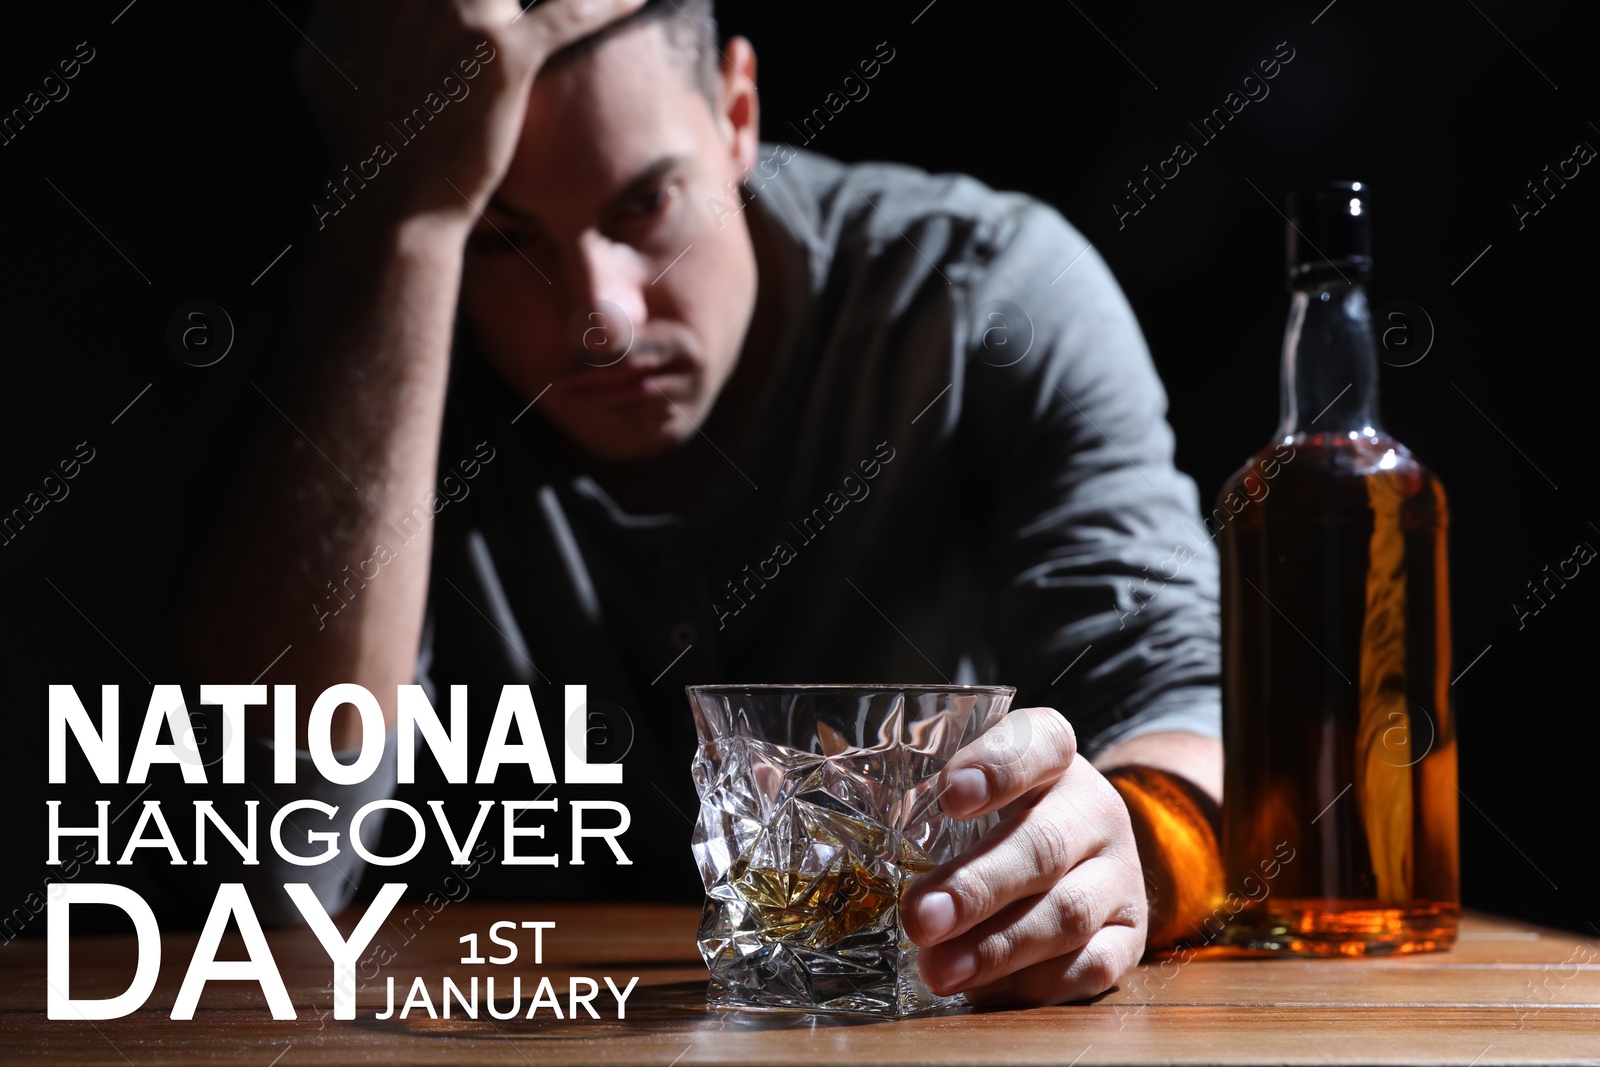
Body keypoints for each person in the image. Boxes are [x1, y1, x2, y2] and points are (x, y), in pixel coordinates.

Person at [174, 0, 1225, 1008]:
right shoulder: (343, 354)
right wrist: (399, 225)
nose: (600, 317)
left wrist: (1135, 842)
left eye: (644, 206)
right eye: (501, 237)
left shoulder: (985, 299)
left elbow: (1191, 715)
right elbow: (261, 857)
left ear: (737, 114)